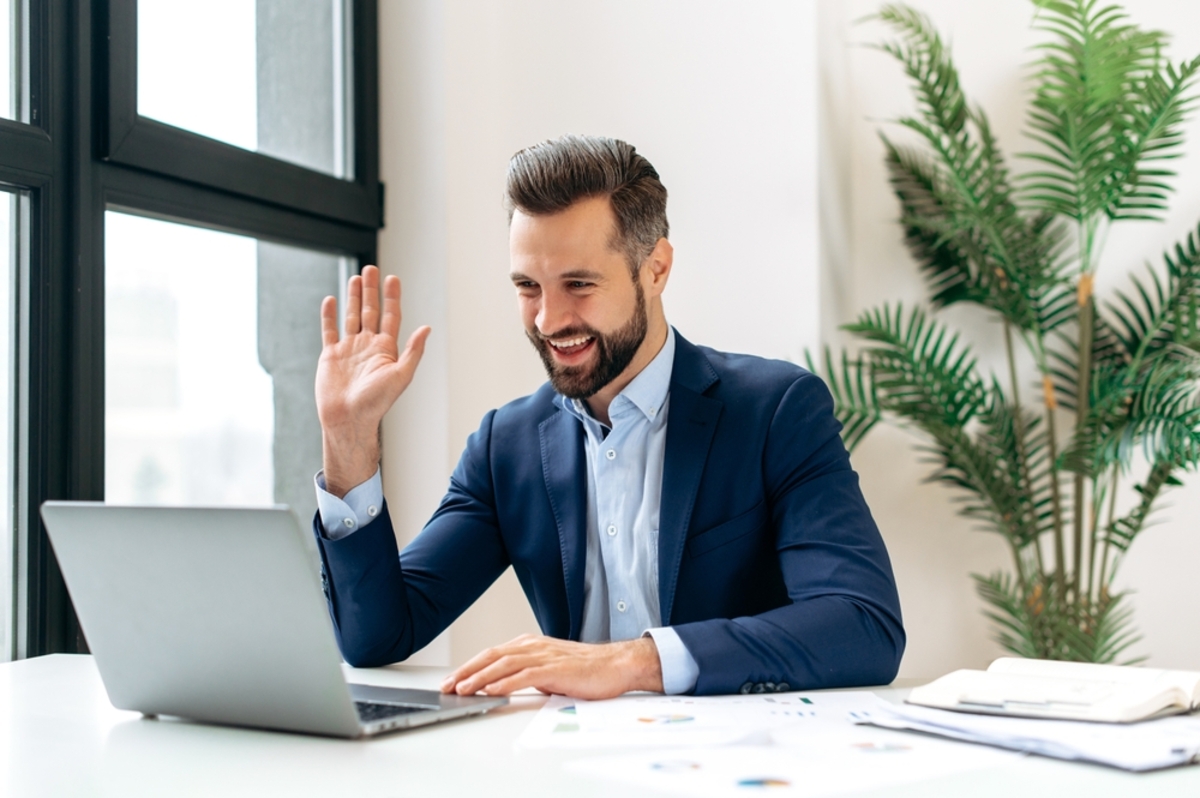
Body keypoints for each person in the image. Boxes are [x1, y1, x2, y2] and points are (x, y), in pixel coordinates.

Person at [312, 134, 904, 699]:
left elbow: (862, 625)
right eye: (528, 286)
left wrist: (630, 662)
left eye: (578, 284)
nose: (547, 320)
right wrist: (348, 439)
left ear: (655, 269)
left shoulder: (775, 411)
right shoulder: (505, 447)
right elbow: (377, 636)